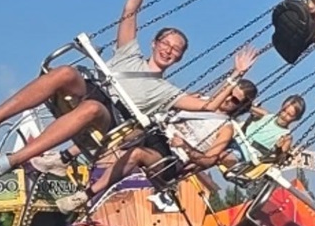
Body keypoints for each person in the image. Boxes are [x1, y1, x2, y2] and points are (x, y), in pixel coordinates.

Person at [0, 0, 256, 178]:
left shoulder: (167, 91)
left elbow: (207, 107)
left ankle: (14, 159)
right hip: (95, 88)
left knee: (91, 109)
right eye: (166, 44)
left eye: (175, 50)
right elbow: (130, 10)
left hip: (110, 116)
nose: (169, 51)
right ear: (155, 43)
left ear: (178, 59)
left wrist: (235, 76)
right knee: (65, 72)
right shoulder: (129, 52)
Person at [55, 77, 257, 213]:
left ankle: (85, 195)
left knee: (136, 154)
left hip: (173, 158)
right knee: (125, 127)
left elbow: (209, 160)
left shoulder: (226, 127)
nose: (228, 100)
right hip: (158, 133)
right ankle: (65, 156)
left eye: (235, 101)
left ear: (241, 107)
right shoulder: (200, 100)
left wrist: (185, 146)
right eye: (229, 93)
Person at [220, 95, 305, 167]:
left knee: (225, 156)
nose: (284, 115)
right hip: (236, 140)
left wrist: (278, 148)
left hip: (248, 153)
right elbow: (248, 107)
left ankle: (227, 159)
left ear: (296, 119)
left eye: (289, 115)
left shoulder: (286, 136)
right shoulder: (267, 115)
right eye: (283, 110)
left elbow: (281, 158)